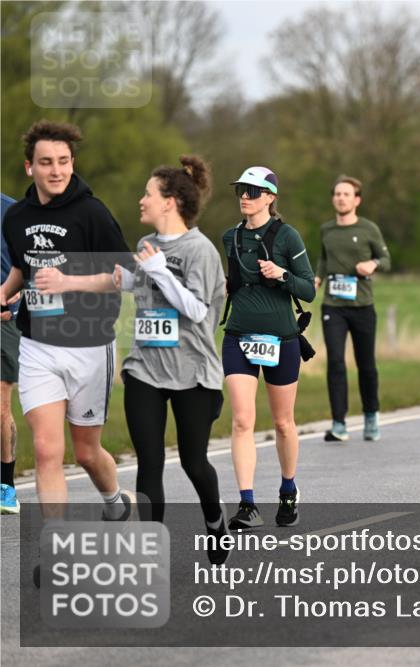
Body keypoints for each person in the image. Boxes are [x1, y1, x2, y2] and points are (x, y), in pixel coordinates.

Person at [0, 120, 135, 525]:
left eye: (63, 161)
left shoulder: (91, 213)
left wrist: (69, 281)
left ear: (72, 163)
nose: (55, 170)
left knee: (86, 452)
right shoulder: (17, 218)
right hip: (38, 344)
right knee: (45, 450)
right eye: (46, 162)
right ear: (30, 167)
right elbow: (23, 269)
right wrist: (5, 291)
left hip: (90, 345)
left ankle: (112, 498)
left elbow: (126, 272)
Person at [112, 156, 230, 564]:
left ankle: (215, 520)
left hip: (193, 370)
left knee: (193, 463)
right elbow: (140, 285)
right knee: (149, 461)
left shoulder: (201, 251)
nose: (141, 200)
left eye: (148, 193)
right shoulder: (147, 248)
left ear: (170, 201)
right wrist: (124, 278)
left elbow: (197, 311)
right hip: (144, 366)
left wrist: (160, 272)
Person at [221, 166, 315, 529]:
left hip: (282, 339)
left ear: (271, 198)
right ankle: (247, 504)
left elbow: (308, 289)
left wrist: (282, 275)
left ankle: (288, 490)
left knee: (283, 422)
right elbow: (231, 282)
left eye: (253, 191)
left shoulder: (287, 236)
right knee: (243, 420)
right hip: (239, 336)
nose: (245, 196)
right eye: (241, 190)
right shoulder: (229, 237)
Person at [314, 175, 391, 440]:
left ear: (356, 200)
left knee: (366, 364)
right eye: (337, 194)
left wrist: (373, 265)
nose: (341, 198)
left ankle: (371, 416)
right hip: (333, 305)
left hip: (362, 306)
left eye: (346, 194)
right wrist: (317, 278)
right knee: (335, 362)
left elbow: (386, 259)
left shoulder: (369, 229)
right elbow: (324, 259)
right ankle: (339, 423)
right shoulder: (326, 230)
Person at [1, 193, 20, 514]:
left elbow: (36, 264)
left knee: (0, 406)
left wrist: (12, 298)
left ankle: (6, 487)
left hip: (3, 320)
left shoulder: (14, 212)